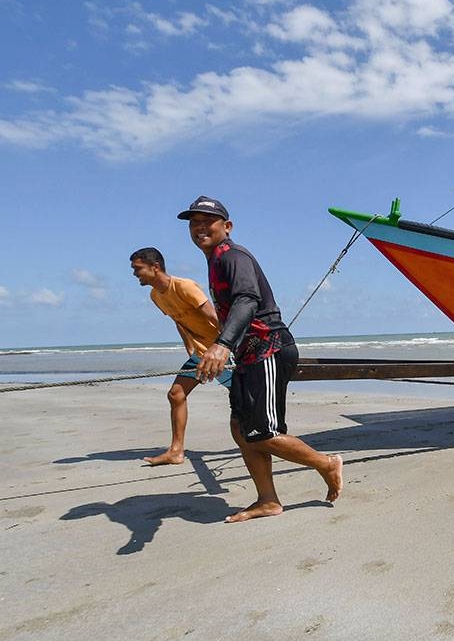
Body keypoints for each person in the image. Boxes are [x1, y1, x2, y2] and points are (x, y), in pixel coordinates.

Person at [178, 196, 343, 522]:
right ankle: (268, 500)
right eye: (193, 223)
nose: (199, 228)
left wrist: (222, 344)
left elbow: (247, 299)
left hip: (268, 348)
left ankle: (327, 463)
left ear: (227, 226)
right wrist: (221, 346)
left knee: (263, 431)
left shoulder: (232, 255)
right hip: (248, 353)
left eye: (207, 222)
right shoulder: (216, 260)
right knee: (241, 427)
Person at [129, 247, 233, 466]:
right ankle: (176, 451)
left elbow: (215, 318)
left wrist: (226, 349)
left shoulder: (184, 286)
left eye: (138, 268)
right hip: (200, 353)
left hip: (220, 352)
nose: (135, 274)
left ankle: (264, 439)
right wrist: (190, 348)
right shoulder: (155, 295)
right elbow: (179, 320)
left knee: (243, 398)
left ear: (155, 267)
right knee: (176, 394)